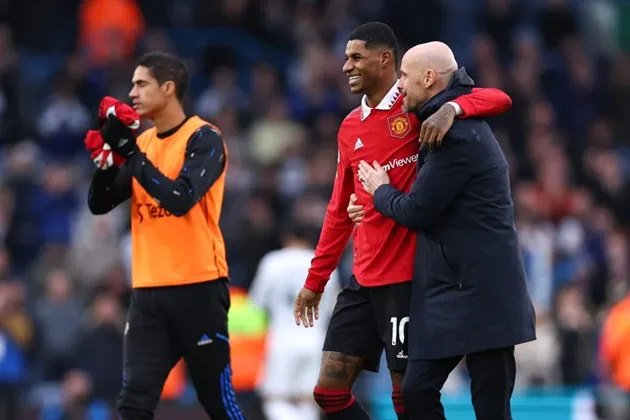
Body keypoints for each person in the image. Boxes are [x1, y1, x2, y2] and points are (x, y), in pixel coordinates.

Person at [292, 22, 513, 420]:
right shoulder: (348, 127)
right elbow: (339, 210)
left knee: (407, 397)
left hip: (408, 277)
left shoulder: (415, 106)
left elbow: (498, 98)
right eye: (345, 57)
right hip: (362, 277)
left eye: (355, 57)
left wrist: (452, 107)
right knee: (328, 393)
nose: (345, 66)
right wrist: (315, 281)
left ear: (385, 59)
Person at [357, 42, 536, 420]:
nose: (399, 85)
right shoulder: (445, 120)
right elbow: (483, 95)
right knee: (419, 391)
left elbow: (417, 210)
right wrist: (452, 106)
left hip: (483, 291)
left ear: (428, 78)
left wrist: (380, 190)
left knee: (485, 406)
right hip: (456, 290)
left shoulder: (453, 136)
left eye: (404, 75)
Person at [87, 51, 246, 420]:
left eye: (141, 83)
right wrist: (108, 161)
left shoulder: (204, 137)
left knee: (216, 401)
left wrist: (131, 153)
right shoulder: (143, 143)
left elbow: (180, 198)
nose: (132, 93)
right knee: (133, 402)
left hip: (199, 286)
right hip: (147, 291)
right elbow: (99, 203)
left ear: (168, 88)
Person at [249, 222, 340, 420]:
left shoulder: (272, 262)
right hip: (316, 341)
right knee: (308, 401)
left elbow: (256, 303)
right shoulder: (324, 263)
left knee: (275, 398)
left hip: (282, 341)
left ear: (285, 238)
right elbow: (333, 307)